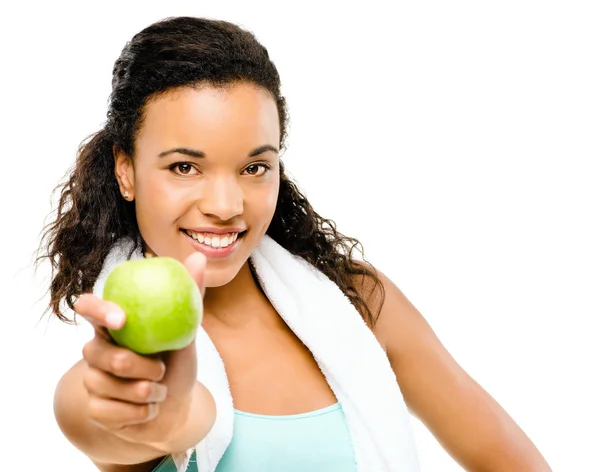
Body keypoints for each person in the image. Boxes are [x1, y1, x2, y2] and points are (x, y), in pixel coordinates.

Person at [38, 16, 552, 472]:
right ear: (125, 169)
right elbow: (97, 415)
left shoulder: (359, 303)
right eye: (184, 167)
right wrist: (161, 418)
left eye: (254, 167)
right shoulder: (126, 354)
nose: (225, 203)